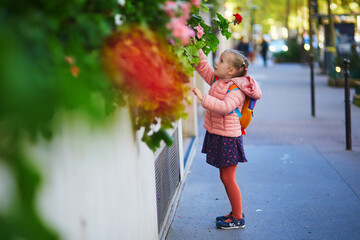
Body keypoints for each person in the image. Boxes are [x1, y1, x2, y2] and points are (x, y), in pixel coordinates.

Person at [192, 48, 262, 229]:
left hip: (229, 138)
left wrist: (203, 99)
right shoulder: (219, 80)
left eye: (221, 61)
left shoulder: (236, 89)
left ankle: (238, 217)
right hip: (219, 134)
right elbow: (203, 67)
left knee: (228, 178)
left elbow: (225, 107)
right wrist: (196, 46)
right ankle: (235, 212)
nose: (216, 62)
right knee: (225, 177)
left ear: (231, 71)